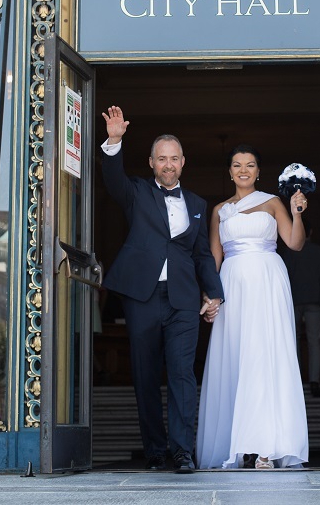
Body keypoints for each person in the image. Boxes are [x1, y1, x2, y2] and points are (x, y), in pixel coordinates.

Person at [101, 105, 224, 473]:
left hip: (184, 299)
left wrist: (213, 293)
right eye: (161, 159)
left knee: (183, 374)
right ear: (151, 162)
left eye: (174, 158)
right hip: (143, 296)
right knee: (146, 374)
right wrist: (114, 140)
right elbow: (112, 180)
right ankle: (155, 449)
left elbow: (203, 255)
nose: (168, 165)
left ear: (183, 162)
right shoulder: (136, 192)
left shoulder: (198, 205)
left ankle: (183, 450)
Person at [196, 145, 309, 470]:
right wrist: (209, 296)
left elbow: (294, 243)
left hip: (267, 282)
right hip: (232, 285)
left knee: (265, 356)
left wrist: (297, 213)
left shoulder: (273, 202)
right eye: (236, 165)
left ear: (259, 171)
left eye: (250, 165)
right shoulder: (219, 210)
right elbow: (214, 257)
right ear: (229, 172)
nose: (243, 170)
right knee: (235, 358)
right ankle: (240, 444)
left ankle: (266, 447)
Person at [280, 220, 320, 397]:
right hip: (315, 300)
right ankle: (314, 382)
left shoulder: (288, 252)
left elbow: (284, 276)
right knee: (314, 342)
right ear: (311, 233)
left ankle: (295, 383)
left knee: (293, 341)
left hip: (293, 300)